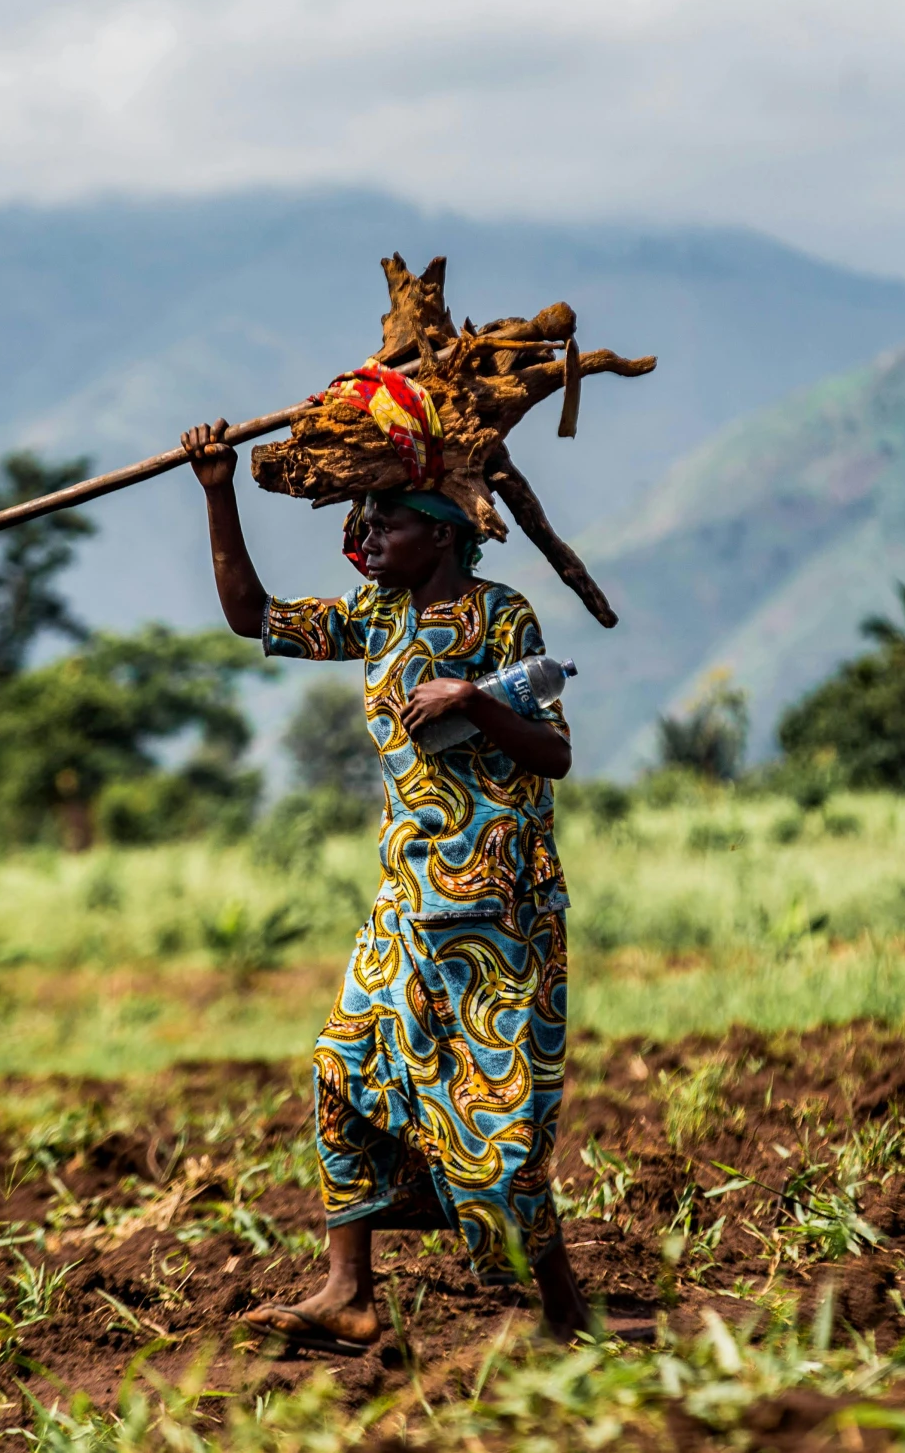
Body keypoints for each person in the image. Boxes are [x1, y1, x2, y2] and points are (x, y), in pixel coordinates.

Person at [179, 413, 592, 1352]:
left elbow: (556, 755)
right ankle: (349, 1291)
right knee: (343, 1068)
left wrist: (475, 697)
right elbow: (255, 615)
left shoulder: (501, 616)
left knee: (498, 1120)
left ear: (441, 531)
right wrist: (218, 488)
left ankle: (565, 1314)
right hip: (407, 908)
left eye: (382, 522)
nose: (361, 539)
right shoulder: (375, 618)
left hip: (501, 916)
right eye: (359, 521)